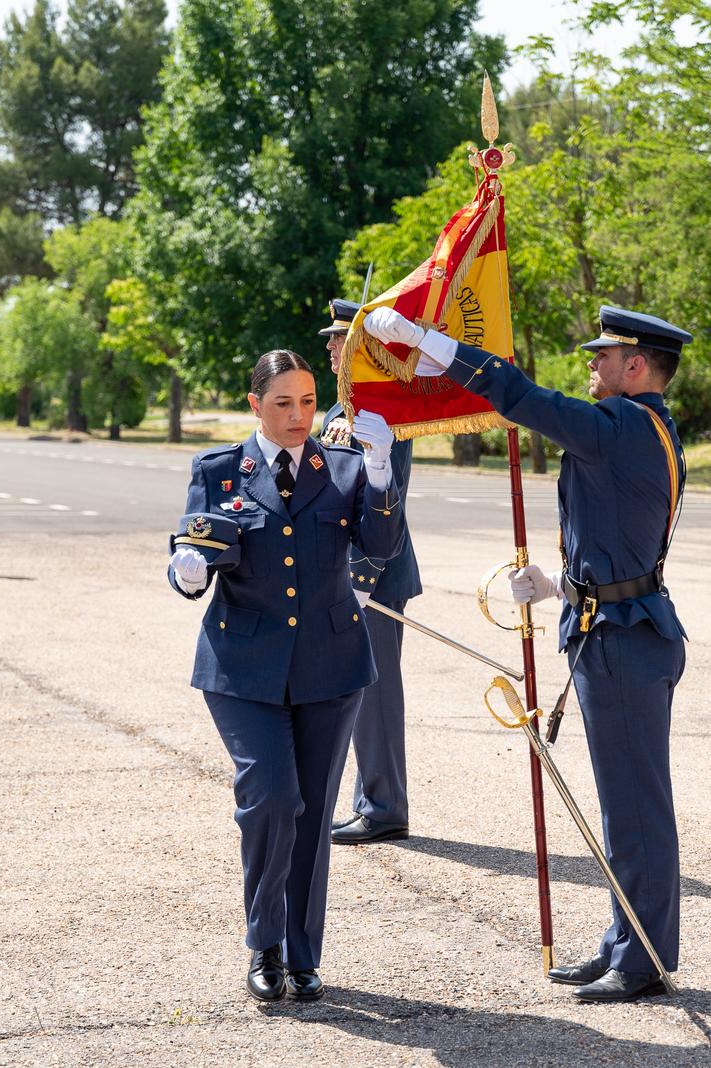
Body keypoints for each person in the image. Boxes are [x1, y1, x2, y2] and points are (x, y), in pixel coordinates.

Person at [365, 302, 688, 1004]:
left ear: (638, 366)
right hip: (613, 627)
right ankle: (625, 938)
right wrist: (561, 586)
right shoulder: (632, 425)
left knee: (635, 808)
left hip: (628, 643)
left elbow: (521, 398)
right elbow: (613, 538)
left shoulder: (627, 424)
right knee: (621, 807)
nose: (592, 364)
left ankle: (646, 957)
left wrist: (433, 345)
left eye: (604, 356)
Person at [167, 349, 405, 1003]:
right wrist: (187, 571)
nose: (300, 416)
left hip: (332, 668)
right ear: (254, 405)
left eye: (307, 401)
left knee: (313, 811)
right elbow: (190, 550)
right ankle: (264, 942)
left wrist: (383, 474)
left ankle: (303, 955)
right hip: (242, 668)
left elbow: (380, 549)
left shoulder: (349, 468)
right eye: (282, 404)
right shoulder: (219, 470)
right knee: (272, 800)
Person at [316, 298, 424, 845]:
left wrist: (360, 577)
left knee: (376, 695)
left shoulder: (383, 408)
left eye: (340, 338)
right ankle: (371, 799)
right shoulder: (342, 409)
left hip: (373, 576)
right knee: (359, 691)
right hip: (345, 575)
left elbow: (388, 496)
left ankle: (384, 807)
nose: (331, 347)